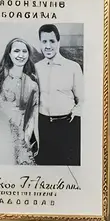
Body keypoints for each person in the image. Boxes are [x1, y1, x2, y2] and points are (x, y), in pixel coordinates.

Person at [0, 37, 40, 165]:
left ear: (28, 54)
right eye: (16, 51)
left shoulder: (32, 83)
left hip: (21, 134)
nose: (21, 55)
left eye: (24, 51)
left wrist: (27, 136)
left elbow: (32, 114)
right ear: (9, 53)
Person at [34, 24, 83, 166]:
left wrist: (74, 121)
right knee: (44, 169)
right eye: (44, 42)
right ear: (40, 43)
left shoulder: (73, 67)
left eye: (52, 41)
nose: (48, 46)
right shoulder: (36, 68)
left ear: (58, 42)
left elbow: (83, 100)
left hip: (66, 127)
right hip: (42, 128)